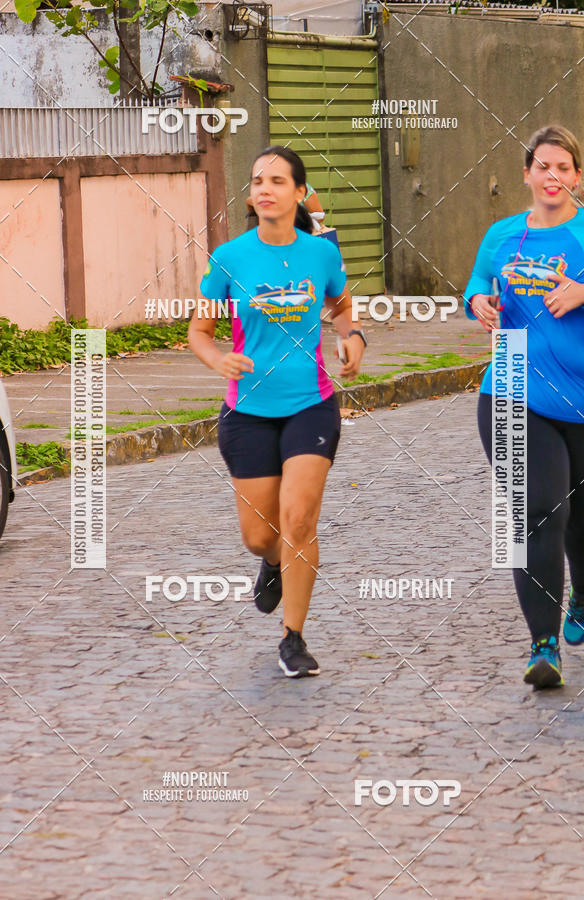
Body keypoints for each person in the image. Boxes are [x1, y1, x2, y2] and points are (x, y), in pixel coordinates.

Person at [188, 145, 367, 678]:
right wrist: (217, 359)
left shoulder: (320, 255)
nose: (265, 189)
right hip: (247, 410)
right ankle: (272, 562)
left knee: (299, 519)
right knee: (260, 536)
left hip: (311, 405)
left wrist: (353, 336)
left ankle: (293, 637)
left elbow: (341, 305)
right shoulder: (229, 258)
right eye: (257, 181)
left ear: (299, 193)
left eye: (277, 181)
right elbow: (199, 331)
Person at [465, 124, 584, 689]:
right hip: (512, 384)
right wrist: (478, 301)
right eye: (542, 166)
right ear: (526, 174)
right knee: (536, 513)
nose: (552, 176)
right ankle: (543, 645)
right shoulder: (502, 235)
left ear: (577, 178)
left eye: (563, 168)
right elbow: (477, 283)